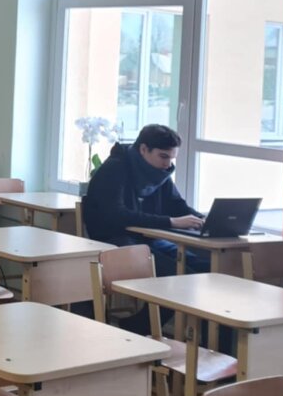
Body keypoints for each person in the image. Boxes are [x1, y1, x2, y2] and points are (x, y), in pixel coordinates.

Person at [83, 123, 208, 334]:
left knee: (206, 269)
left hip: (147, 239)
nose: (167, 164)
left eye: (171, 159)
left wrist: (201, 219)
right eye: (163, 156)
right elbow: (117, 215)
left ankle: (207, 342)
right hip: (115, 241)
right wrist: (171, 222)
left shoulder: (160, 173)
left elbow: (177, 206)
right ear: (143, 149)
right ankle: (139, 327)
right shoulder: (114, 169)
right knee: (179, 277)